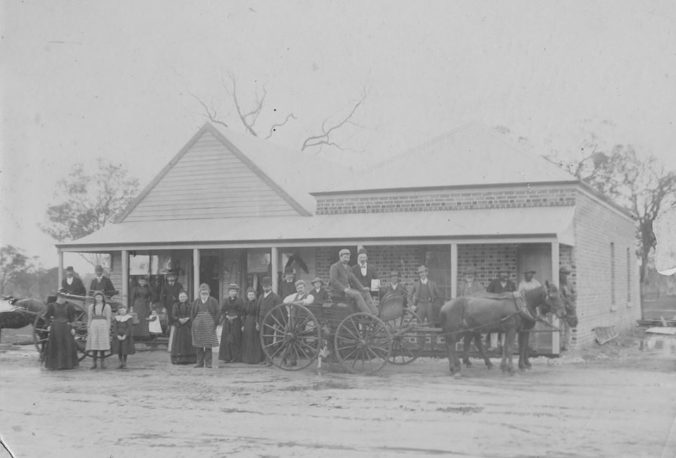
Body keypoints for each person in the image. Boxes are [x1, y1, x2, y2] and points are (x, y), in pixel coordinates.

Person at [328, 248, 377, 315]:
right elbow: (333, 281)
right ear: (340, 257)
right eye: (345, 257)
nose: (347, 258)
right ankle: (368, 314)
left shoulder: (348, 268)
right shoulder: (334, 267)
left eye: (348, 257)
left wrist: (362, 288)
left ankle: (375, 313)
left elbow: (354, 279)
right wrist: (344, 289)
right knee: (357, 294)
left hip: (348, 292)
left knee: (366, 293)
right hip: (338, 293)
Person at [43, 291, 79, 370]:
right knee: (56, 345)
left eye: (63, 297)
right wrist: (48, 325)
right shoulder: (51, 306)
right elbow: (46, 317)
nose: (62, 299)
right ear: (57, 297)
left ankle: (67, 365)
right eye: (60, 297)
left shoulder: (69, 306)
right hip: (55, 328)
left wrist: (73, 328)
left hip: (66, 328)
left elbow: (72, 318)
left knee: (67, 345)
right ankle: (55, 365)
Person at [191, 283, 220, 368]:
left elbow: (218, 312)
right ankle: (199, 362)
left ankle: (208, 362)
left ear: (208, 293)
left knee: (208, 345)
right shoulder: (196, 302)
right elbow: (192, 313)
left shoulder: (213, 301)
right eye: (202, 293)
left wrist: (215, 323)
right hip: (198, 326)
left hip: (209, 326)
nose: (204, 294)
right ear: (199, 293)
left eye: (205, 293)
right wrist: (194, 323)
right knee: (199, 345)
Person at [256, 276, 280, 364]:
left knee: (269, 340)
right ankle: (264, 359)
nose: (266, 287)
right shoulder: (261, 297)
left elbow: (278, 312)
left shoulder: (275, 297)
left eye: (268, 286)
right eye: (264, 286)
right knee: (262, 340)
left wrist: (276, 324)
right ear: (262, 287)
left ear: (271, 286)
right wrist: (257, 323)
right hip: (261, 322)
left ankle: (270, 359)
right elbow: (257, 311)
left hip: (271, 322)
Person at [86, 291, 111, 369]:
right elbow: (89, 318)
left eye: (100, 297)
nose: (98, 299)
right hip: (94, 324)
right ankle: (94, 363)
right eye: (97, 297)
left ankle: (102, 363)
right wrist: (88, 327)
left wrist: (108, 327)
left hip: (103, 324)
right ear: (94, 298)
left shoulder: (107, 306)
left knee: (102, 344)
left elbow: (108, 318)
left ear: (103, 298)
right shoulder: (91, 306)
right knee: (94, 343)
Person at [219, 283, 244, 364]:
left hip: (236, 322)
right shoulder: (225, 300)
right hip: (227, 322)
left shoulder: (240, 301)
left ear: (236, 292)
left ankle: (235, 357)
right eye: (231, 291)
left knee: (235, 338)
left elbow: (242, 311)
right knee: (227, 339)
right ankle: (227, 357)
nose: (232, 292)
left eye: (234, 291)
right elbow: (222, 310)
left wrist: (236, 316)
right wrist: (226, 316)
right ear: (228, 292)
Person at [170, 290, 196, 364]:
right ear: (178, 297)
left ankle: (190, 359)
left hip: (187, 326)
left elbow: (192, 314)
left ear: (187, 297)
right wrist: (179, 319)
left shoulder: (190, 305)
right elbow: (173, 315)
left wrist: (187, 318)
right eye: (181, 297)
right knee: (179, 343)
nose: (182, 298)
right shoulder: (175, 305)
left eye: (184, 296)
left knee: (188, 341)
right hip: (179, 326)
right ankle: (179, 359)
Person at [241, 287, 263, 364]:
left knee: (254, 339)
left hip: (254, 321)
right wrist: (242, 325)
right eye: (249, 295)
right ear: (247, 296)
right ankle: (247, 358)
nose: (251, 296)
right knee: (247, 340)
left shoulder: (257, 303)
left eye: (252, 295)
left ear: (255, 295)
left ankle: (255, 358)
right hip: (247, 322)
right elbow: (243, 314)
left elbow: (258, 313)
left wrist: (257, 323)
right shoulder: (245, 303)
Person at [111, 303, 135, 369]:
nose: (122, 311)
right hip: (118, 336)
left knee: (125, 349)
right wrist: (117, 335)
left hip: (125, 336)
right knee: (119, 349)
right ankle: (120, 362)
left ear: (126, 310)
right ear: (119, 311)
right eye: (120, 310)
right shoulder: (117, 318)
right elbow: (115, 327)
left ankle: (124, 362)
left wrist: (125, 335)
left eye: (123, 310)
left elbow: (129, 327)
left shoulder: (129, 318)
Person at [559, 265, 578, 351]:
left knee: (567, 327)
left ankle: (566, 345)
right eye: (564, 274)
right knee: (558, 327)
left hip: (568, 309)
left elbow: (575, 295)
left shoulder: (569, 283)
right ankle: (558, 345)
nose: (566, 276)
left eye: (567, 274)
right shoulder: (556, 283)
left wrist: (569, 294)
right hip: (559, 309)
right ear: (560, 274)